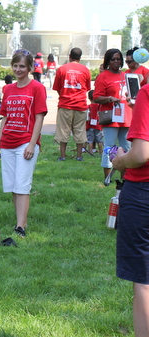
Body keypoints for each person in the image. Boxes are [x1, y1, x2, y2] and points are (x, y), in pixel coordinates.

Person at [0, 50, 47, 237]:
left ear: (30, 67)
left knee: (22, 184)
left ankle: (20, 227)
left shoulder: (37, 88)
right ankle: (20, 220)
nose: (18, 69)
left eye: (22, 66)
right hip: (7, 142)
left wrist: (32, 144)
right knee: (13, 185)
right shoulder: (8, 89)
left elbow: (39, 118)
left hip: (25, 142)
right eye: (15, 65)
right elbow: (5, 118)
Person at [112, 81, 149, 337]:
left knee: (144, 280)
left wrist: (119, 160)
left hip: (144, 191)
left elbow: (141, 154)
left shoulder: (147, 92)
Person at [93, 48, 132, 180]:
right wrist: (109, 98)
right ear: (108, 61)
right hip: (111, 117)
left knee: (126, 147)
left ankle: (125, 176)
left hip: (126, 116)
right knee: (109, 147)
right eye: (113, 59)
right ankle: (107, 176)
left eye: (118, 59)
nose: (116, 61)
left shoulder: (125, 75)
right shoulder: (103, 76)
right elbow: (96, 97)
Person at [52, 48, 91, 161]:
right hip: (81, 105)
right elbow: (87, 88)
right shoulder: (85, 70)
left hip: (65, 104)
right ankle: (79, 156)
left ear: (69, 56)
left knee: (63, 129)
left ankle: (62, 156)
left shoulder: (62, 69)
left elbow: (58, 88)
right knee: (80, 130)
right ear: (80, 57)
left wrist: (64, 95)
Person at [86, 90, 104, 155]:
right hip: (98, 125)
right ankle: (101, 152)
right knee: (99, 140)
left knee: (90, 140)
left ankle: (90, 151)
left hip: (89, 125)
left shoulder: (88, 107)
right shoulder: (100, 106)